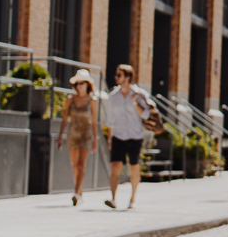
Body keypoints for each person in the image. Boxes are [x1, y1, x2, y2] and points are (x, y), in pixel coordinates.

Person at [101, 63, 155, 210]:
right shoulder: (113, 97)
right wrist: (110, 138)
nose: (116, 77)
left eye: (119, 75)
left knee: (134, 168)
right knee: (116, 167)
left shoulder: (139, 94)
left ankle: (132, 199)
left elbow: (146, 114)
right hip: (118, 136)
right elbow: (110, 119)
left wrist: (134, 103)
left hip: (134, 136)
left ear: (128, 77)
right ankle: (113, 198)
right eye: (116, 75)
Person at [58, 71, 99, 206]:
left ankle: (76, 193)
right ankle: (79, 192)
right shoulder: (70, 99)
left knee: (81, 165)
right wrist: (60, 136)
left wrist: (95, 139)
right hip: (73, 134)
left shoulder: (92, 101)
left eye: (82, 83)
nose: (79, 86)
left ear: (87, 84)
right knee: (75, 166)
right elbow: (64, 118)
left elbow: (94, 121)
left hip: (86, 135)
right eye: (77, 83)